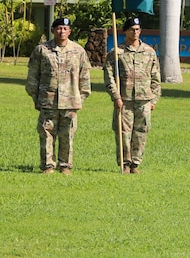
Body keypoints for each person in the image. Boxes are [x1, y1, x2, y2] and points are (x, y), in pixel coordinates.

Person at [26, 16, 92, 174]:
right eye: (59, 28)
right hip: (47, 101)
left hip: (70, 101)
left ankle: (65, 166)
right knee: (46, 133)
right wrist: (36, 98)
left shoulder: (78, 51)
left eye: (65, 28)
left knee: (67, 134)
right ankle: (48, 165)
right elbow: (33, 77)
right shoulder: (42, 50)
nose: (62, 31)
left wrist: (79, 99)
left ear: (70, 31)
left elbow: (85, 78)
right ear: (52, 30)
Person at [104, 17, 162, 174]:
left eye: (137, 29)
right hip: (125, 100)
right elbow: (109, 77)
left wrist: (153, 99)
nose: (135, 32)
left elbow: (156, 78)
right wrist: (116, 96)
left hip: (144, 100)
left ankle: (136, 164)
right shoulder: (117, 53)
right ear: (125, 31)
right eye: (131, 29)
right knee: (123, 132)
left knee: (141, 132)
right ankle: (125, 163)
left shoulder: (149, 52)